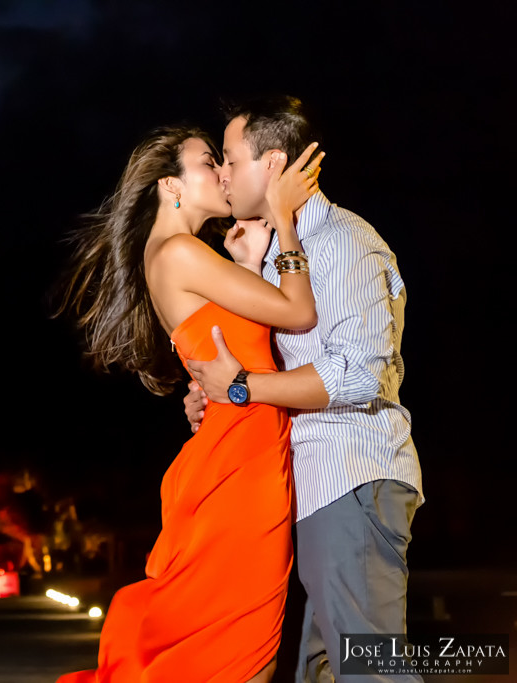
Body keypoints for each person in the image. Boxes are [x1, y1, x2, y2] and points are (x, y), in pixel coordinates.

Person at [54, 122, 323, 682]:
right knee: (243, 654)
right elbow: (298, 312)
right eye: (208, 162)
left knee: (234, 650)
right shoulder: (178, 250)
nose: (223, 174)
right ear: (171, 187)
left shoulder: (178, 253)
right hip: (240, 468)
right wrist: (286, 226)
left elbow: (227, 342)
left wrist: (248, 265)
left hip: (232, 452)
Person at [183, 96, 424, 682]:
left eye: (231, 160)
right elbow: (271, 367)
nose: (222, 175)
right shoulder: (277, 257)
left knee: (373, 670)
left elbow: (360, 373)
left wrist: (242, 388)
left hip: (353, 474)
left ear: (272, 164)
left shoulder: (341, 242)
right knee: (320, 670)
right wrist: (217, 393)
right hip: (315, 486)